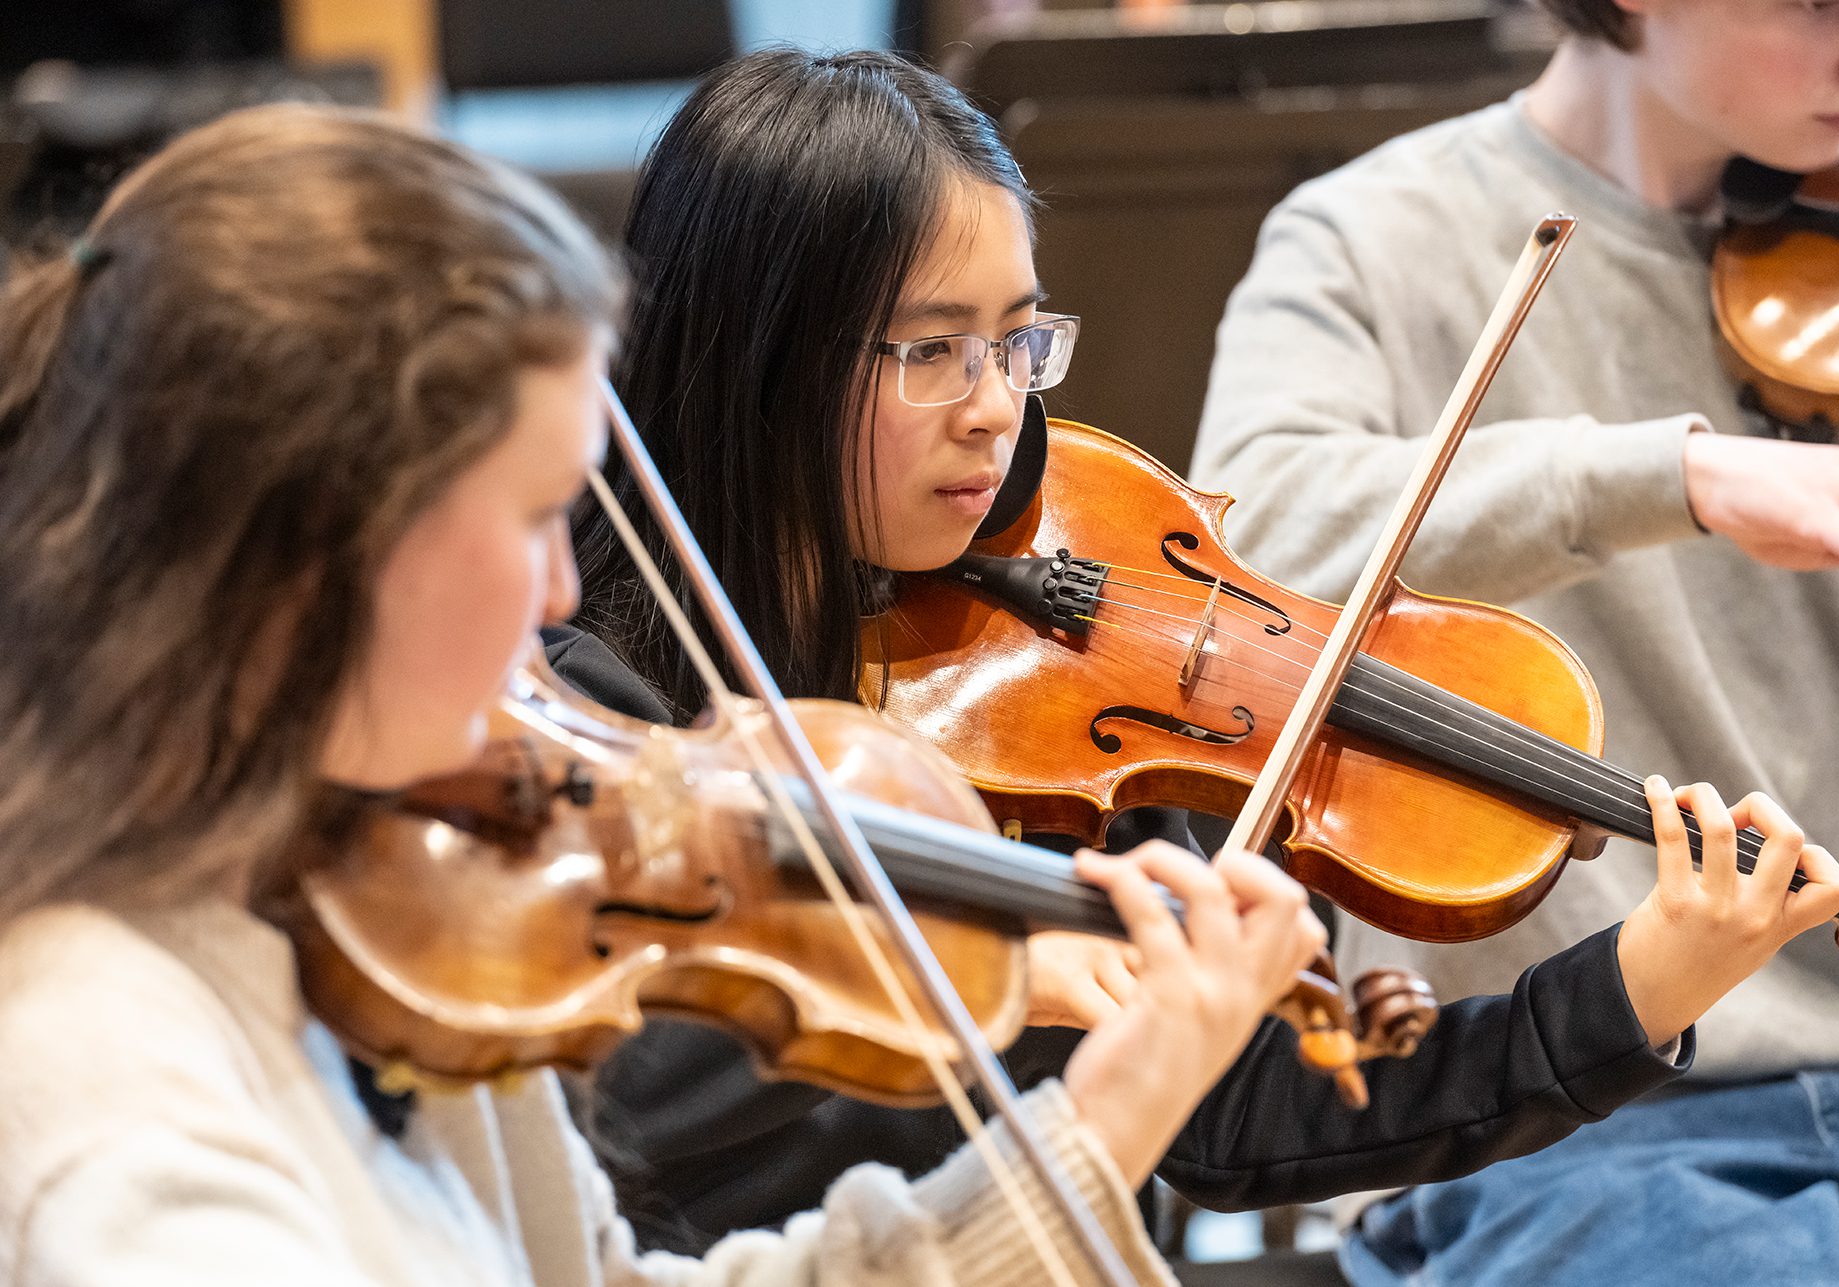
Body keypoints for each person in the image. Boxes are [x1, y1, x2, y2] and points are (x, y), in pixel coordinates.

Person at [0, 100, 1341, 1287]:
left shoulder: (377, 922)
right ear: (312, 548)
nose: (558, 594)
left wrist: (1103, 1123)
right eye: (532, 515)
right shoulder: (107, 1091)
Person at [557, 44, 1839, 1260]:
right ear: (760, 356)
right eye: (932, 350)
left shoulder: (1044, 692)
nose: (998, 407)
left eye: (1017, 339)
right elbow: (616, 1104)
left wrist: (1631, 988)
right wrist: (999, 975)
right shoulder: (595, 704)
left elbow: (1243, 1124)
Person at [1193, 0, 1839, 1283]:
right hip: (1587, 1120)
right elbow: (1236, 548)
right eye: (1824, 2)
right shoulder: (1371, 239)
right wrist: (1670, 476)